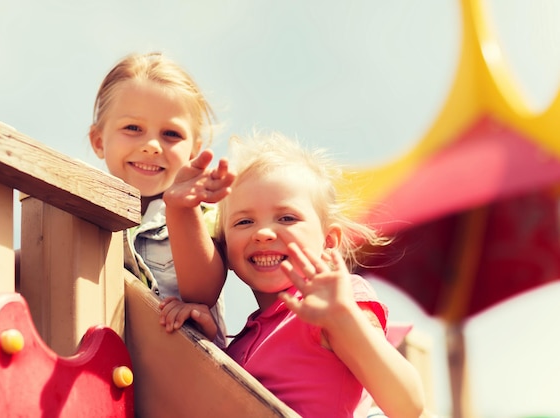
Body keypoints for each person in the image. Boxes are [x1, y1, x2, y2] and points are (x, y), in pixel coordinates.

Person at [159, 132, 426, 417]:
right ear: (225, 251)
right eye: (244, 221)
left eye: (287, 217)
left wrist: (345, 319)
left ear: (329, 241)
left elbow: (407, 404)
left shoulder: (332, 304)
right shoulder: (242, 344)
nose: (262, 233)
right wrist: (208, 342)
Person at [88, 52, 233, 348]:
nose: (152, 146)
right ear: (99, 141)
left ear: (194, 150)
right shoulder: (80, 211)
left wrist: (183, 208)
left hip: (182, 372)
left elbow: (202, 293)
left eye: (171, 134)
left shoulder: (202, 210)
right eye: (133, 128)